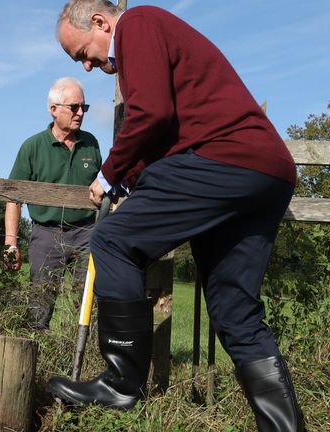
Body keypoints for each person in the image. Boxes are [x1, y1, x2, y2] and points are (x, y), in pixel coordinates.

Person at [46, 1, 303, 431]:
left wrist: (109, 176)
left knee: (112, 241)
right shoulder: (152, 39)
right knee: (235, 312)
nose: (87, 67)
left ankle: (121, 382)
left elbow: (152, 114)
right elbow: (167, 131)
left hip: (224, 161)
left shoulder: (139, 24)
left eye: (81, 54)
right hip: (265, 171)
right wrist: (129, 178)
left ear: (99, 22)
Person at [3, 77, 101, 330]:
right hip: (47, 233)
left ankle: (85, 355)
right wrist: (11, 243)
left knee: (89, 299)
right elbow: (14, 196)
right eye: (74, 107)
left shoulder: (91, 143)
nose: (80, 113)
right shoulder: (33, 147)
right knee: (40, 301)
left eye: (84, 108)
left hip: (86, 232)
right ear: (53, 109)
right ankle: (35, 350)